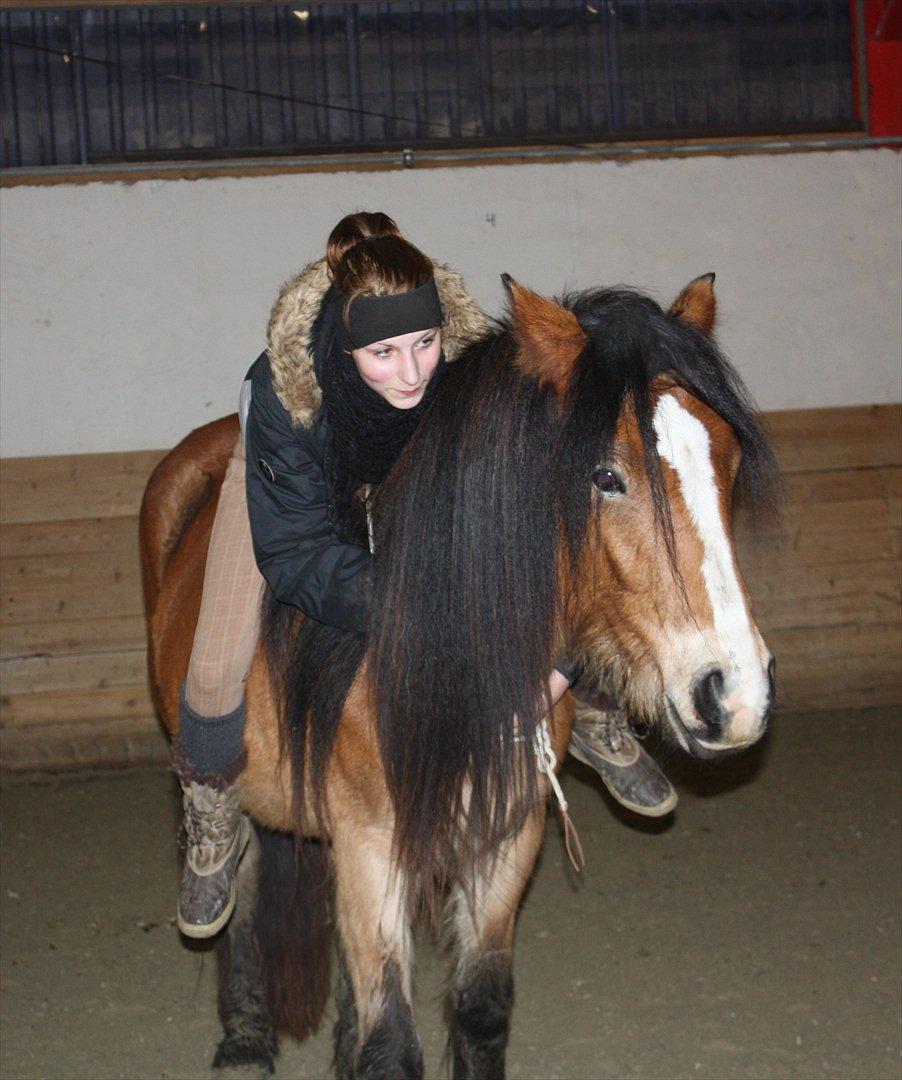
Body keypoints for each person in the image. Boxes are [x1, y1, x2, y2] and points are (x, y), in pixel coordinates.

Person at [172, 212, 676, 939]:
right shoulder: (282, 391)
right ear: (346, 348)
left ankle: (596, 704)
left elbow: (538, 522)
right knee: (217, 654)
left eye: (424, 343)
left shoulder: (476, 371)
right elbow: (297, 556)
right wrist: (430, 606)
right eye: (382, 351)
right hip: (297, 488)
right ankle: (210, 809)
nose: (410, 372)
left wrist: (561, 659)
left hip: (415, 475)